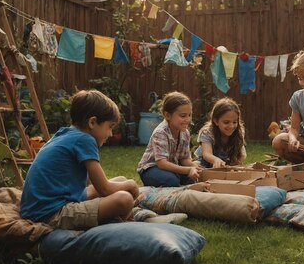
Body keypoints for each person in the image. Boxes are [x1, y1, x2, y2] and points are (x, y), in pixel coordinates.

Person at [20, 90, 139, 230]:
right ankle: (119, 228)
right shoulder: (84, 139)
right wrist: (131, 184)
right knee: (124, 199)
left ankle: (117, 219)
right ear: (92, 122)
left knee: (120, 180)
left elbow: (90, 183)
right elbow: (104, 189)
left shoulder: (65, 134)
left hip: (40, 207)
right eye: (110, 127)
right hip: (51, 213)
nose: (111, 134)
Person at [137, 91, 201, 187]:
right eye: (183, 116)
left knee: (194, 178)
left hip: (171, 167)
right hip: (151, 168)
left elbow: (184, 159)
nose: (187, 119)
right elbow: (162, 164)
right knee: (171, 181)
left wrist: (193, 166)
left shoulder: (185, 133)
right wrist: (188, 170)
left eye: (189, 115)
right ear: (168, 115)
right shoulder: (160, 133)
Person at [195, 97, 247, 168]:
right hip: (205, 165)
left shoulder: (238, 133)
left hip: (226, 166)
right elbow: (206, 154)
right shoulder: (207, 133)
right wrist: (216, 160)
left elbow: (238, 159)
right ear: (216, 121)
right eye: (226, 122)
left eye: (234, 122)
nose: (231, 126)